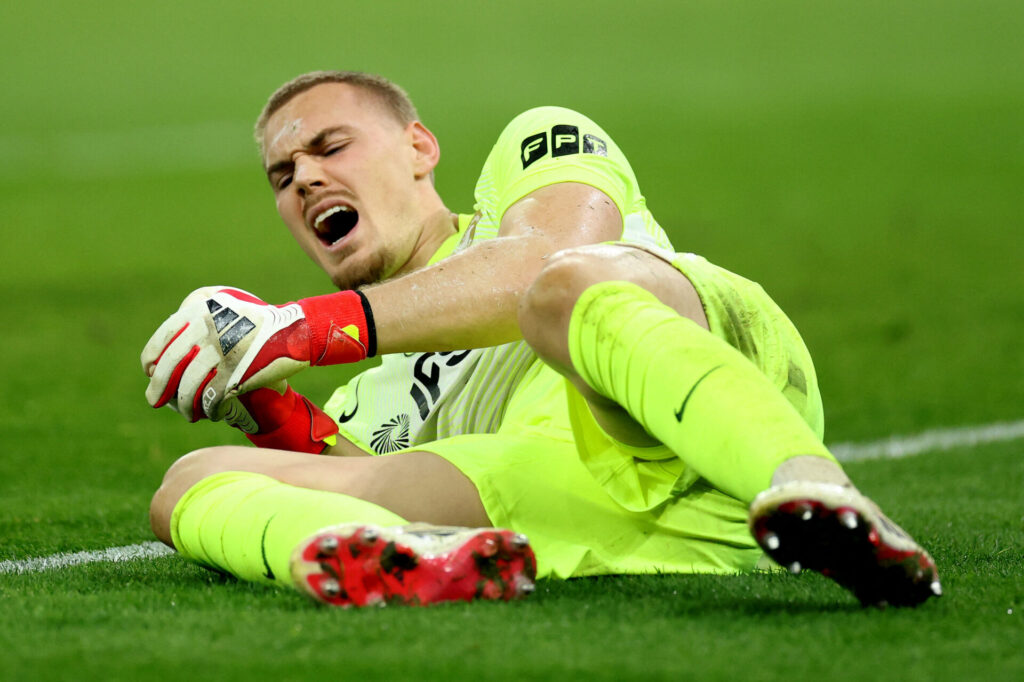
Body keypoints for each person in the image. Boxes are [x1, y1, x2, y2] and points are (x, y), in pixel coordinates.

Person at [142, 70, 940, 608]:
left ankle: (817, 490)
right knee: (188, 480)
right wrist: (267, 407)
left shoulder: (530, 155)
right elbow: (373, 473)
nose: (307, 179)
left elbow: (536, 266)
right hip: (584, 509)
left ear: (419, 148)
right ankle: (396, 562)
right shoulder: (362, 396)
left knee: (563, 291)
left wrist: (298, 329)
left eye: (330, 147)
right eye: (283, 176)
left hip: (683, 419)